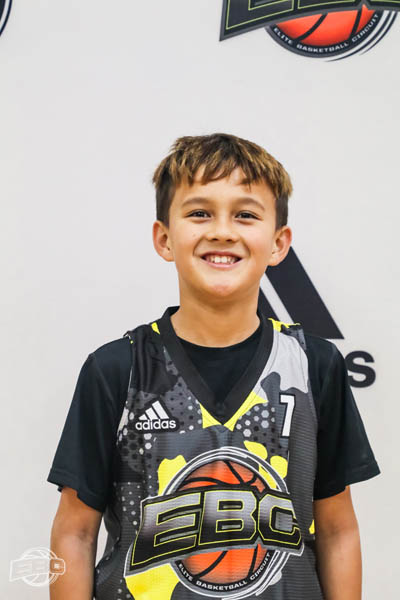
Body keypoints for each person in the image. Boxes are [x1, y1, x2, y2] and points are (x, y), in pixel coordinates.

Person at [47, 133, 380, 600]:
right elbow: (74, 534)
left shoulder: (313, 365)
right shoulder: (118, 369)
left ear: (278, 243)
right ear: (164, 238)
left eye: (245, 214)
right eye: (200, 213)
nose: (222, 231)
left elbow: (338, 529)